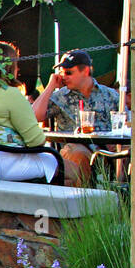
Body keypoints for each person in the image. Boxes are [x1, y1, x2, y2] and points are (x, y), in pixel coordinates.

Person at [31, 50, 119, 187]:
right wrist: (50, 86)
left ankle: (125, 196)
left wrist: (116, 140)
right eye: (62, 72)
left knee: (129, 150)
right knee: (79, 153)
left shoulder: (110, 94)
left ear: (85, 71)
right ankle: (82, 201)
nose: (64, 77)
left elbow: (125, 122)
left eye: (69, 73)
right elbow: (34, 116)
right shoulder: (60, 96)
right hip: (77, 147)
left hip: (106, 149)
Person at [0, 42, 59, 183]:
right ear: (11, 66)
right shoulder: (11, 94)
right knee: (69, 168)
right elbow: (36, 140)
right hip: (10, 162)